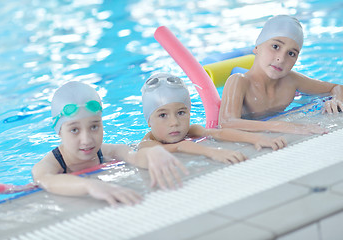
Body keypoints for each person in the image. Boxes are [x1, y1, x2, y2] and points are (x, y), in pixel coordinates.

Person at [32, 81, 188, 206]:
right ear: (59, 131)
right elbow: (46, 180)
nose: (86, 140)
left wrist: (153, 152)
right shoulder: (50, 164)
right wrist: (89, 186)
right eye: (74, 130)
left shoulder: (108, 151)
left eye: (94, 126)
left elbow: (133, 156)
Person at [219, 15, 343, 134]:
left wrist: (336, 99)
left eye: (291, 54)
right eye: (275, 46)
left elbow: (336, 87)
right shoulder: (239, 81)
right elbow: (226, 123)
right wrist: (280, 126)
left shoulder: (291, 80)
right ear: (257, 47)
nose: (281, 59)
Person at [139, 73, 287, 164]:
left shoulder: (191, 130)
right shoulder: (146, 145)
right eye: (163, 115)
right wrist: (214, 152)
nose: (174, 123)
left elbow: (218, 132)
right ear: (148, 121)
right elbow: (180, 146)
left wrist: (256, 138)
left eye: (181, 113)